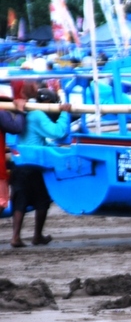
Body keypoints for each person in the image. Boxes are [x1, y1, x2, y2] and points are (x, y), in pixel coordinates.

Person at [11, 88, 71, 248]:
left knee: (19, 201)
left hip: (19, 163)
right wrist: (65, 114)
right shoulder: (38, 114)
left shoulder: (27, 113)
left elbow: (38, 139)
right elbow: (57, 132)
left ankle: (15, 237)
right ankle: (37, 235)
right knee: (42, 200)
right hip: (34, 165)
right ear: (49, 103)